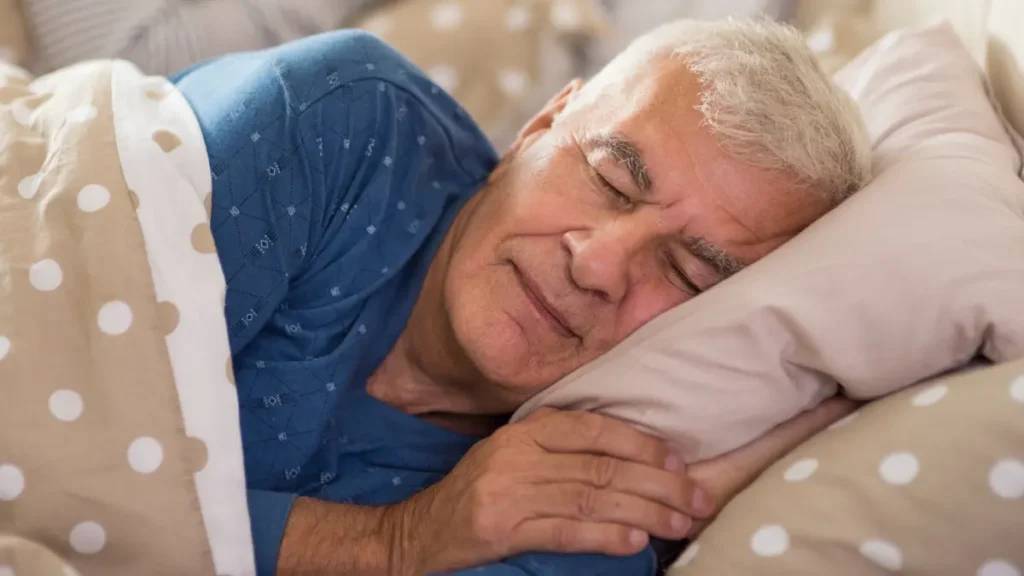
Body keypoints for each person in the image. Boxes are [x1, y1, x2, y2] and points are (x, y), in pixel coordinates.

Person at [172, 16, 869, 576]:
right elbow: (67, 439)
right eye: (609, 179)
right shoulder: (337, 119)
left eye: (688, 274)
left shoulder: (584, 503)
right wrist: (393, 544)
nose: (596, 263)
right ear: (542, 124)